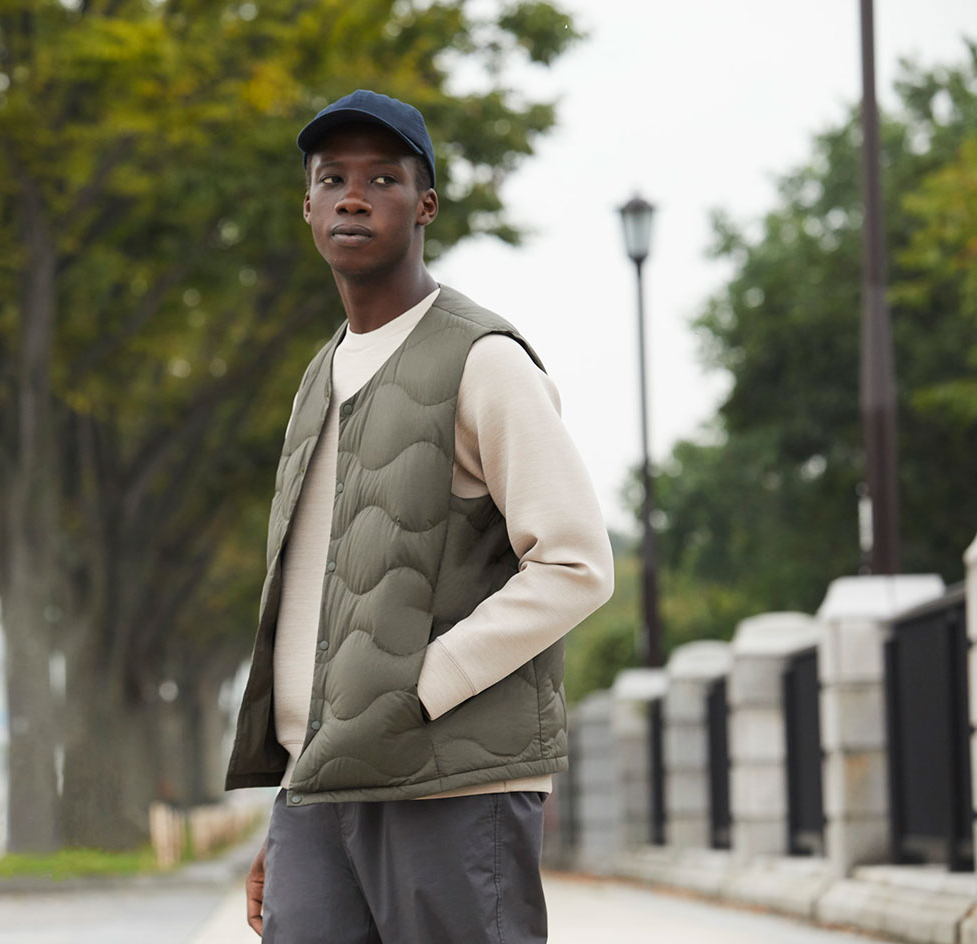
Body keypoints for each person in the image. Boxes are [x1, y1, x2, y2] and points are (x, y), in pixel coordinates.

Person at [224, 90, 615, 943]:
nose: (353, 198)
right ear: (307, 206)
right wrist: (292, 801)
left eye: (382, 179)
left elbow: (576, 563)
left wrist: (420, 686)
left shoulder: (484, 360)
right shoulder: (318, 377)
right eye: (333, 179)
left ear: (425, 204)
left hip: (451, 786)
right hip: (322, 791)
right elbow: (319, 610)